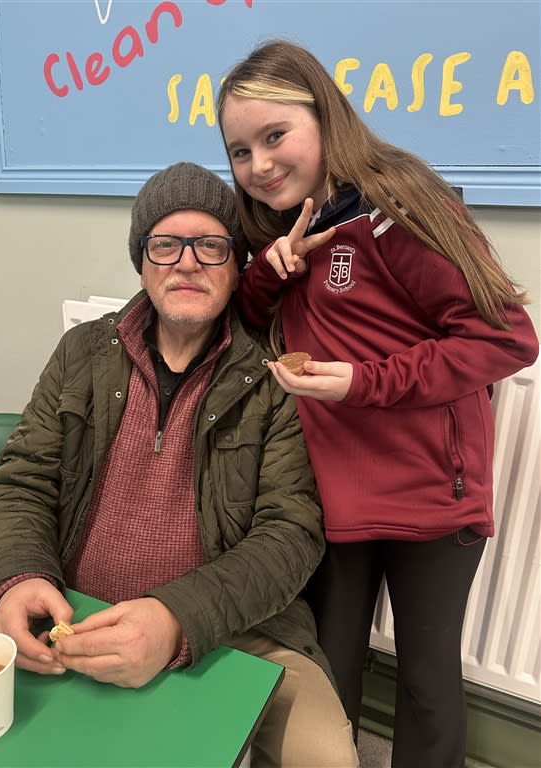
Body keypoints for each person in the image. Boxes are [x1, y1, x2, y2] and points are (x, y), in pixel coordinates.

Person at [217, 40, 540, 768]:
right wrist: (269, 274)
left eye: (275, 135)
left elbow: (506, 339)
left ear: (324, 117)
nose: (259, 164)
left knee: (426, 683)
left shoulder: (398, 206)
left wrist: (365, 382)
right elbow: (247, 324)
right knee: (329, 674)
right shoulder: (279, 226)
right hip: (331, 493)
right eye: (240, 150)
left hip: (431, 494)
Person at [0, 162, 359, 767]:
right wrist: (19, 576)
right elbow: (21, 480)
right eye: (165, 245)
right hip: (77, 610)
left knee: (327, 758)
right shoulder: (81, 353)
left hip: (235, 626)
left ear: (236, 267)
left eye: (210, 246)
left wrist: (177, 618)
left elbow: (291, 534)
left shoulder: (275, 377)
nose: (187, 263)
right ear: (142, 261)